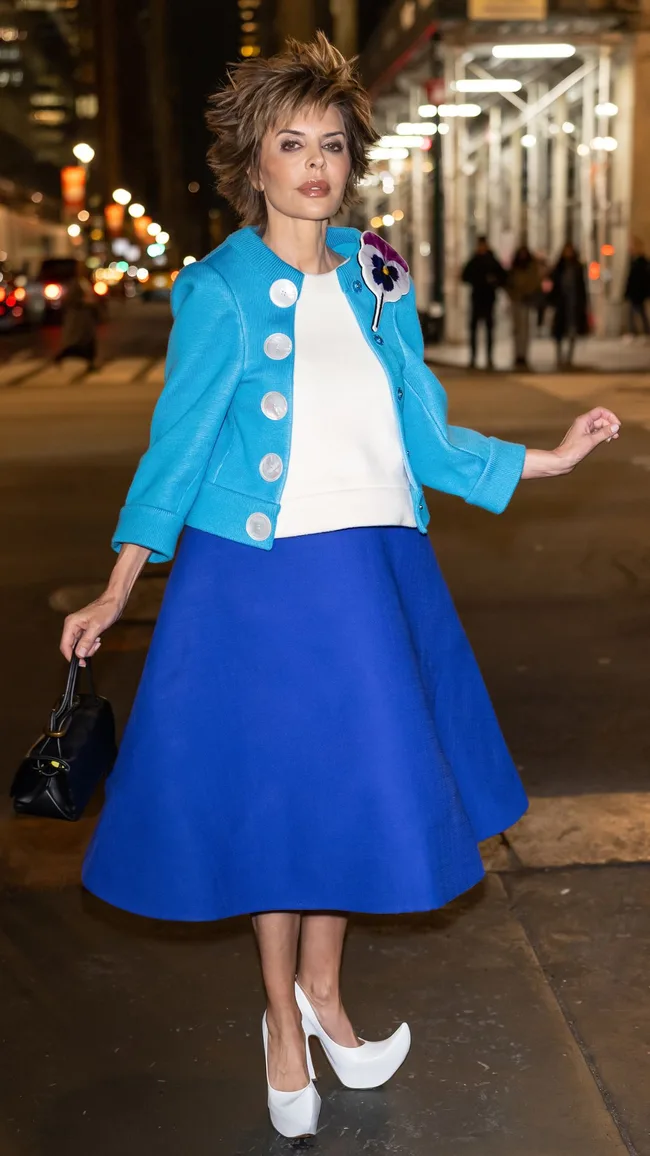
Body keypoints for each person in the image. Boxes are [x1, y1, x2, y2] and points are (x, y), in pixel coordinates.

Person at [59, 35, 621, 1141]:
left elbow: (414, 419)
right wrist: (119, 583)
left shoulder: (380, 269)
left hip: (368, 563)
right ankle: (279, 1017)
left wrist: (532, 461)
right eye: (291, 143)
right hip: (255, 576)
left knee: (346, 794)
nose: (315, 164)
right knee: (278, 804)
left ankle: (325, 998)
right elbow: (175, 450)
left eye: (331, 144)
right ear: (253, 162)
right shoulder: (217, 287)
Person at [461, 236, 506, 370]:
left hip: (488, 298)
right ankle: (473, 357)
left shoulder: (492, 260)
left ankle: (489, 357)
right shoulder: (474, 260)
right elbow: (465, 276)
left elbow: (502, 276)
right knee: (474, 328)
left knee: (489, 329)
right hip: (477, 298)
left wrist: (494, 282)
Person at [548, 242, 589, 370]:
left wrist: (584, 303)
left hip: (574, 304)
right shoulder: (559, 268)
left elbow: (582, 287)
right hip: (561, 304)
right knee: (559, 332)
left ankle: (569, 357)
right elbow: (553, 284)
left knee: (572, 331)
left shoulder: (577, 267)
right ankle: (559, 357)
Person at [53, 260, 99, 369]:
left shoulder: (86, 283)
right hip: (77, 318)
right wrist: (84, 302)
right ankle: (60, 358)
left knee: (87, 342)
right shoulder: (75, 283)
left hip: (86, 318)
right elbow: (70, 300)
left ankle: (90, 363)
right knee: (74, 342)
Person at [506, 244, 544, 370]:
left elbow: (534, 282)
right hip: (516, 300)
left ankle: (524, 354)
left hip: (526, 301)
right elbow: (509, 283)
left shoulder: (531, 268)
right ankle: (518, 354)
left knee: (525, 329)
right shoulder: (515, 268)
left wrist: (527, 292)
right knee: (517, 329)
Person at [623, 238, 650, 340]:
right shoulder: (632, 261)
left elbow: (645, 280)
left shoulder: (643, 263)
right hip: (633, 292)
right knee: (632, 314)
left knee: (641, 313)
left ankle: (645, 332)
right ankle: (632, 332)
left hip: (639, 293)